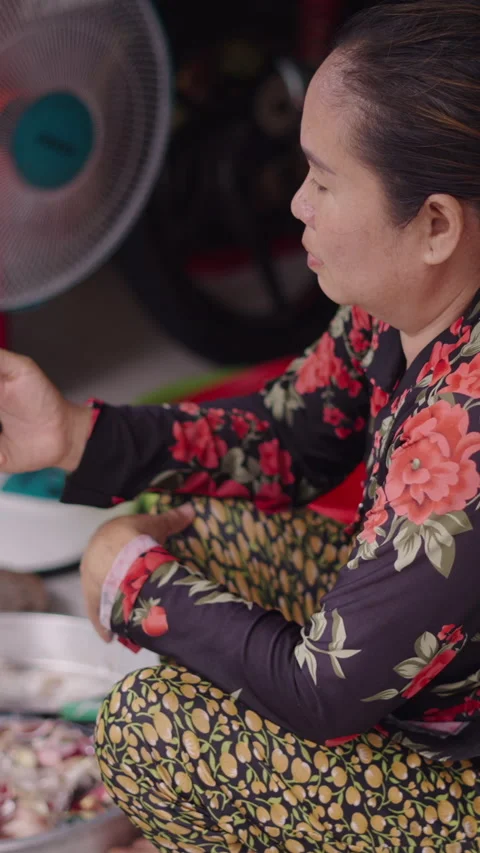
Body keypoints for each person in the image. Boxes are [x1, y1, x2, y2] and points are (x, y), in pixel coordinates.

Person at [2, 0, 480, 849]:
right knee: (204, 533)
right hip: (433, 694)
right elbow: (290, 437)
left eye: (325, 182)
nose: (297, 204)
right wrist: (75, 436)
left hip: (463, 782)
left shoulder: (469, 429)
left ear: (436, 224)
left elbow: (322, 696)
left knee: (152, 728)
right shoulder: (408, 304)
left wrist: (130, 578)